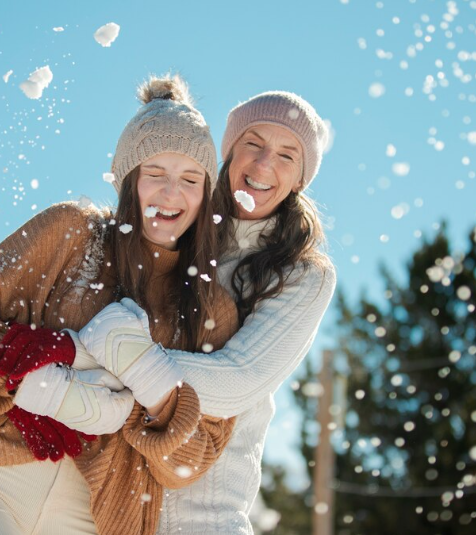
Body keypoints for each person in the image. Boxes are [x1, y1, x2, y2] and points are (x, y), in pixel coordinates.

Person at [0, 75, 239, 535]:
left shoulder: (213, 310)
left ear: (206, 194)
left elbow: (191, 460)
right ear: (128, 179)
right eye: (155, 174)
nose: (172, 194)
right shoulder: (71, 232)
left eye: (191, 179)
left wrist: (138, 394)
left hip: (98, 516)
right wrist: (30, 380)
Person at [82, 90, 337, 534]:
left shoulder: (302, 275)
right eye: (253, 144)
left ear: (300, 177)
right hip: (107, 498)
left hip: (203, 513)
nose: (262, 165)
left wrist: (107, 360)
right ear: (229, 151)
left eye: (285, 155)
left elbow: (238, 381)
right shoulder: (178, 223)